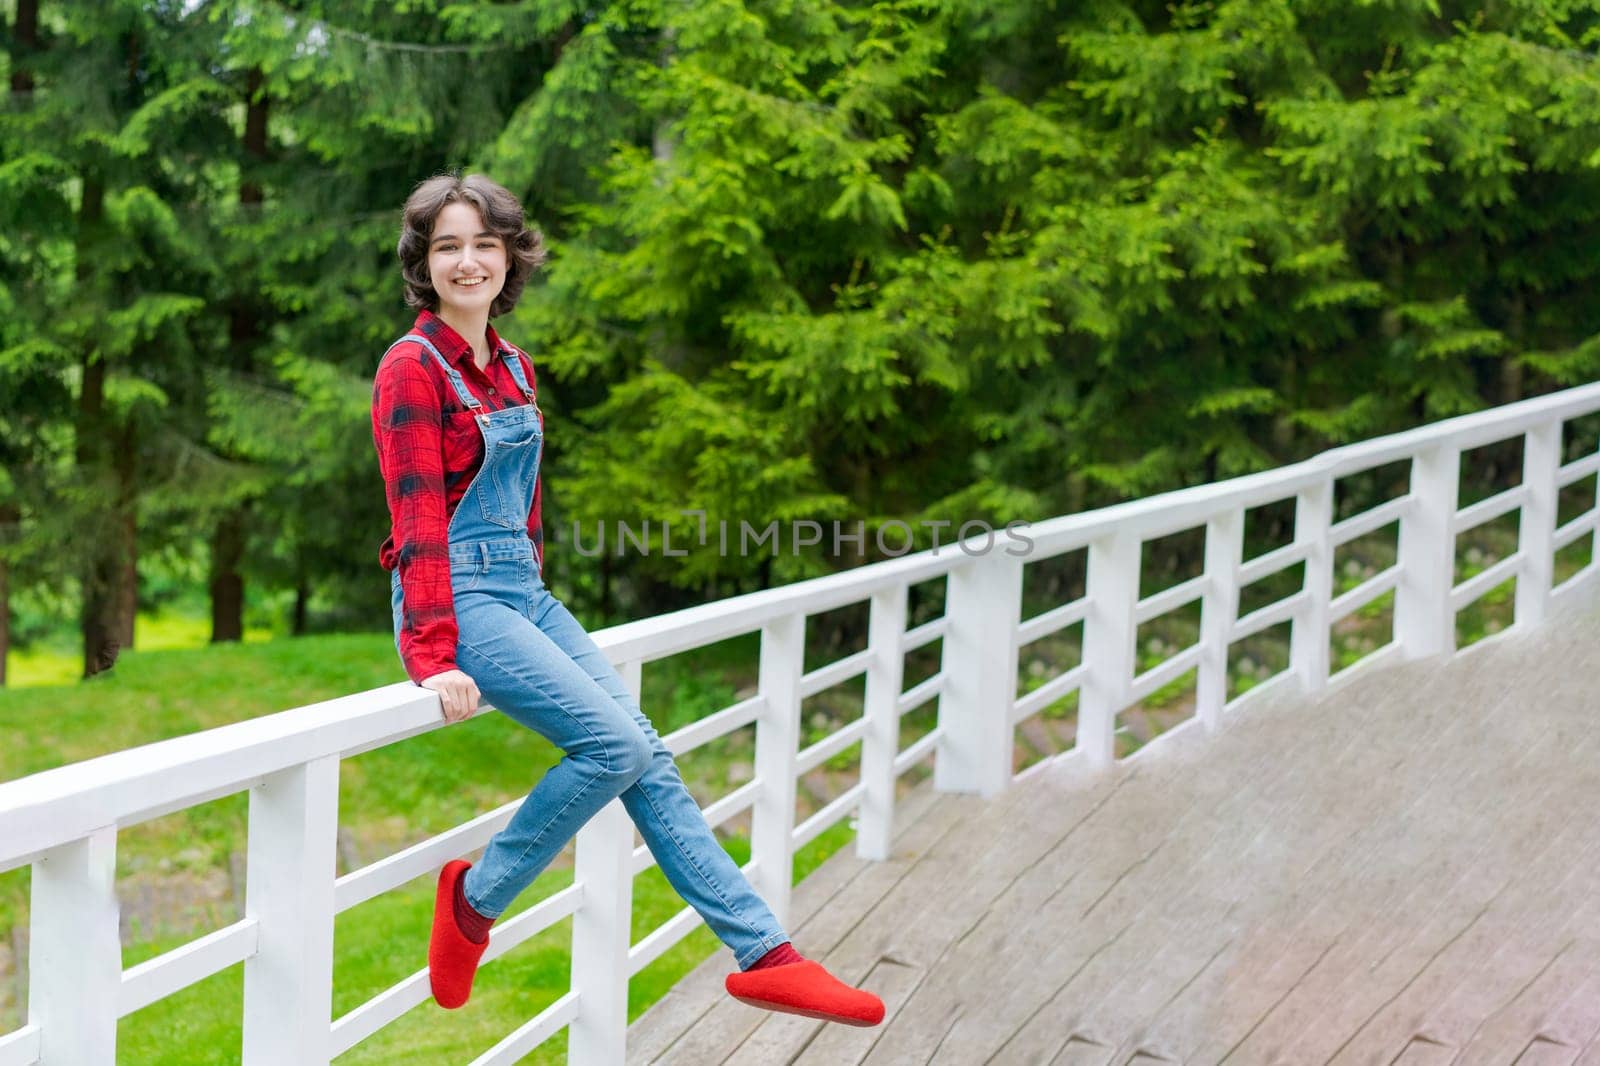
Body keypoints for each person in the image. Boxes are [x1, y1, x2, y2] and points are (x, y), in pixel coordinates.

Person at [370, 172, 885, 1026]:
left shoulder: (513, 366)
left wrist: (533, 597)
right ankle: (475, 898)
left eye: (484, 245)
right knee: (612, 745)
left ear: (509, 258)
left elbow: (521, 509)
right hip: (460, 596)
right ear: (425, 262)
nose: (468, 262)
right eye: (447, 246)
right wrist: (432, 654)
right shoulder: (409, 368)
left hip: (522, 591)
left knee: (649, 751)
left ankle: (767, 954)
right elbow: (418, 518)